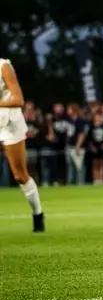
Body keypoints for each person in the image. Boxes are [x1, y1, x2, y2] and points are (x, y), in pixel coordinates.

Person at [0, 58, 45, 232]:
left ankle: (38, 213)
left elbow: (19, 100)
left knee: (19, 175)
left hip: (10, 122)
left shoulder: (3, 66)